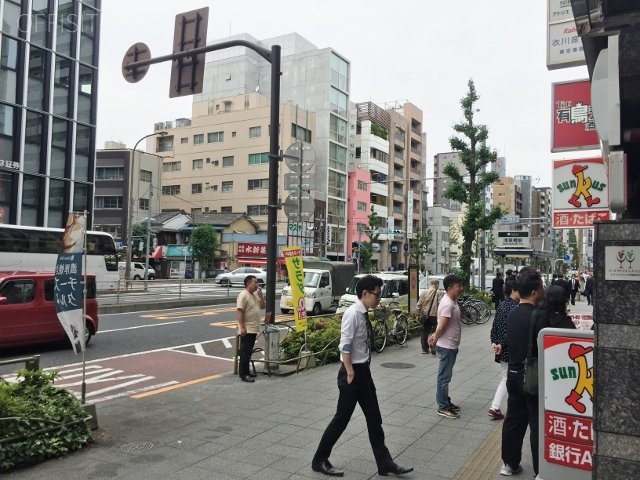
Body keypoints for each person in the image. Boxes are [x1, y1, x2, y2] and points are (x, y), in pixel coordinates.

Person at [312, 275, 413, 477]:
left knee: (374, 418)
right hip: (352, 374)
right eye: (377, 294)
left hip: (363, 372)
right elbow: (345, 345)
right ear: (365, 293)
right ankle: (319, 460)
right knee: (341, 419)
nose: (379, 298)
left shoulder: (364, 312)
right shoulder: (353, 314)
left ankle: (384, 463)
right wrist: (349, 371)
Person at [500, 270, 546, 476]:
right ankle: (539, 471)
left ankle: (509, 464)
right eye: (542, 287)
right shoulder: (540, 316)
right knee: (536, 423)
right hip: (534, 376)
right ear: (535, 291)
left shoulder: (513, 313)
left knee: (513, 420)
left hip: (514, 372)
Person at [427, 274, 464, 419]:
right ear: (449, 288)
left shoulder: (452, 301)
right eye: (458, 286)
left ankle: (446, 402)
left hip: (451, 345)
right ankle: (442, 406)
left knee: (446, 377)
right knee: (443, 378)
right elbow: (441, 326)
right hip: (447, 346)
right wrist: (434, 338)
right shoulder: (448, 303)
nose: (461, 288)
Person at [488, 276, 519, 421]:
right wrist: (501, 344)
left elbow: (495, 326)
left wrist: (494, 342)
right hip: (508, 350)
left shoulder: (501, 305)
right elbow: (510, 331)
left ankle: (495, 407)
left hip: (500, 349)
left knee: (506, 378)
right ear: (513, 291)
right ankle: (495, 407)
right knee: (508, 379)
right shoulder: (514, 308)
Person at [236, 275, 265, 383]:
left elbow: (263, 306)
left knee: (248, 352)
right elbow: (239, 312)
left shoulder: (254, 295)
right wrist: (242, 327)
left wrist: (261, 296)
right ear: (249, 283)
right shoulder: (243, 295)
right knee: (245, 352)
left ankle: (246, 372)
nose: (257, 284)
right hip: (247, 329)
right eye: (255, 282)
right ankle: (244, 374)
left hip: (253, 328)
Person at [416, 279, 442, 355]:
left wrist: (417, 314)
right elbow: (441, 305)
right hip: (435, 316)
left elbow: (419, 304)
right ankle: (433, 344)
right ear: (437, 284)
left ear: (431, 284)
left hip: (425, 315)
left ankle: (424, 348)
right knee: (437, 331)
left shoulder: (424, 292)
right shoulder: (439, 293)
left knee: (425, 331)